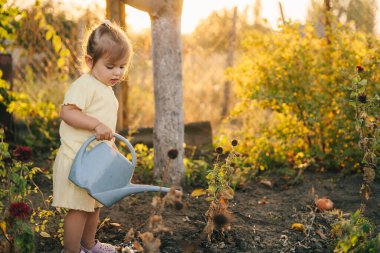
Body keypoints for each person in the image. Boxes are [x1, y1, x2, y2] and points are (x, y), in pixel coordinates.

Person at [52, 20, 133, 253]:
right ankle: (71, 250)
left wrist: (111, 149)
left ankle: (89, 245)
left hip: (95, 162)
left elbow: (105, 128)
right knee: (78, 209)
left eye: (122, 66)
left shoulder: (104, 88)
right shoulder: (85, 85)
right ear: (90, 61)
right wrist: (95, 124)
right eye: (110, 66)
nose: (117, 72)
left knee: (93, 205)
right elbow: (67, 112)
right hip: (76, 161)